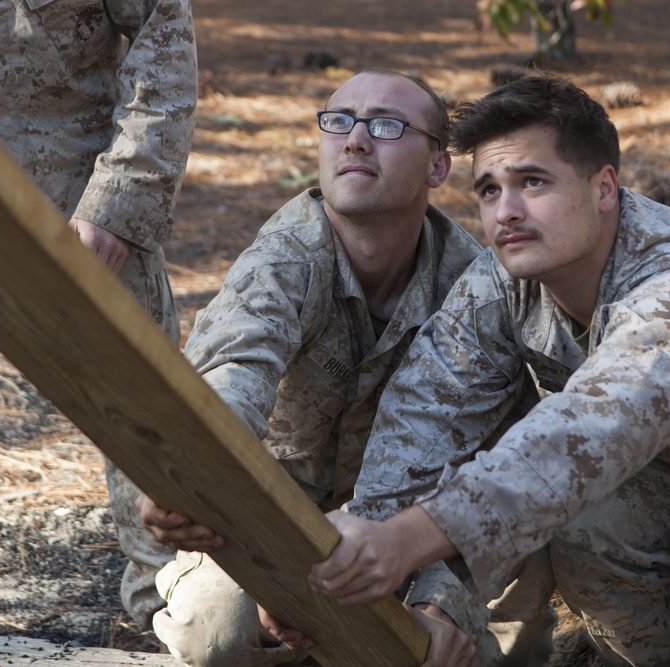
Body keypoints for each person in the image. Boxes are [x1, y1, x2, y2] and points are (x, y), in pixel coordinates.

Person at [309, 74, 670, 667]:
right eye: (488, 190)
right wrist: (357, 563)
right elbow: (423, 418)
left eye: (532, 182)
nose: (506, 211)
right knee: (585, 534)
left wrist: (403, 542)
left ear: (604, 188)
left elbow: (587, 431)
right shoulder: (500, 281)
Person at [136, 68, 508, 667]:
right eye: (338, 122)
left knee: (462, 654)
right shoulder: (286, 257)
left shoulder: (474, 286)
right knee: (216, 634)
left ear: (439, 167)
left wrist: (441, 608)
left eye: (386, 126)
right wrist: (193, 470)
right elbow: (232, 371)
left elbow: (487, 463)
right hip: (269, 516)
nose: (355, 140)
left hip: (411, 530)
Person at [0, 0, 197, 631]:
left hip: (79, 202)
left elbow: (162, 36)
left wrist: (120, 201)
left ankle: (174, 597)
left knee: (147, 407)